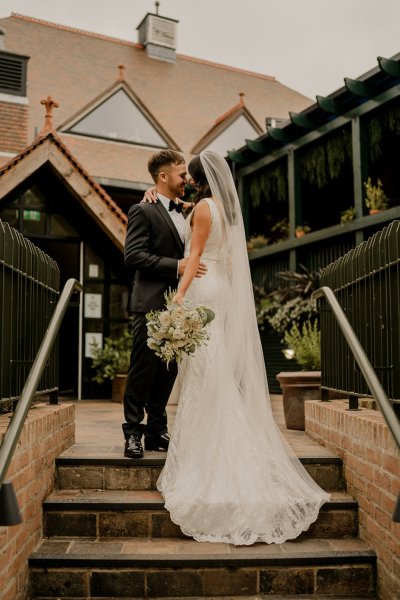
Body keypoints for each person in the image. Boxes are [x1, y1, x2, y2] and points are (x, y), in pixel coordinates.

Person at [154, 150, 330, 544]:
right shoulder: (228, 212)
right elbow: (225, 260)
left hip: (201, 288)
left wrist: (178, 299)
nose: (186, 181)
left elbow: (194, 254)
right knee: (212, 371)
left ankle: (207, 459)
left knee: (202, 373)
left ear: (197, 178)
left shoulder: (201, 208)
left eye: (189, 176)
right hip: (222, 289)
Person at [123, 149, 206, 459]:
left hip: (179, 305)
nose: (186, 179)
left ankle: (157, 431)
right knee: (142, 370)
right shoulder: (142, 210)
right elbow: (133, 256)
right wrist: (178, 266)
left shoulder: (186, 211)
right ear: (163, 177)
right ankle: (132, 433)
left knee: (168, 369)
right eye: (181, 174)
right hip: (149, 304)